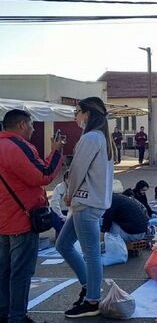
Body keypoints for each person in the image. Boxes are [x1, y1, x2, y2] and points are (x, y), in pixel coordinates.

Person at [0, 109, 65, 323]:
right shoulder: (17, 147)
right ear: (21, 124)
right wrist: (56, 151)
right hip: (21, 219)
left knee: (4, 271)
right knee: (21, 273)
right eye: (31, 124)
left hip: (3, 219)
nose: (33, 129)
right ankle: (17, 317)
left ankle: (4, 312)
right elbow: (43, 175)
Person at [56, 97, 116, 318]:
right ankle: (88, 286)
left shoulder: (91, 137)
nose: (75, 116)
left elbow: (77, 170)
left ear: (88, 114)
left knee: (91, 253)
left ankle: (92, 299)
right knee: (63, 245)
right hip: (91, 201)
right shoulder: (101, 137)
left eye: (77, 111)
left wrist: (69, 194)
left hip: (86, 201)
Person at [50, 171, 70, 239]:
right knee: (60, 230)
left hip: (70, 211)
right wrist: (61, 215)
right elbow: (54, 202)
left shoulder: (76, 186)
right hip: (58, 211)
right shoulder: (60, 187)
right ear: (65, 179)